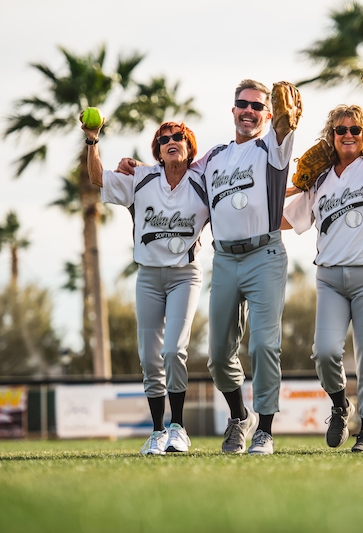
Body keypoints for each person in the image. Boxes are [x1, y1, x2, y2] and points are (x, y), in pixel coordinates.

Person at [118, 79, 299, 455]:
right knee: (218, 357)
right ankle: (240, 416)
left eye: (257, 106)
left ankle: (264, 431)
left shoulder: (271, 147)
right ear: (233, 110)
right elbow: (176, 167)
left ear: (267, 115)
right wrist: (137, 169)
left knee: (264, 345)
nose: (249, 111)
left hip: (264, 255)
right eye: (243, 104)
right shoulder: (215, 157)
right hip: (225, 258)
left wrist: (287, 120)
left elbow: (284, 130)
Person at [282, 104, 363, 453]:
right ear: (332, 136)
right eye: (341, 130)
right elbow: (286, 221)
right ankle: (340, 406)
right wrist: (282, 189)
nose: (348, 134)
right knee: (324, 352)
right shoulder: (319, 179)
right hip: (331, 277)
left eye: (355, 129)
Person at [84, 116, 209, 455]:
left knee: (173, 351)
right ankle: (157, 432)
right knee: (150, 359)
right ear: (158, 151)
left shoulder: (202, 182)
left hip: (185, 275)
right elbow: (97, 177)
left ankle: (178, 429)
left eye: (178, 136)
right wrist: (93, 139)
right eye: (164, 139)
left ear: (189, 147)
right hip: (149, 277)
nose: (171, 141)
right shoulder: (142, 178)